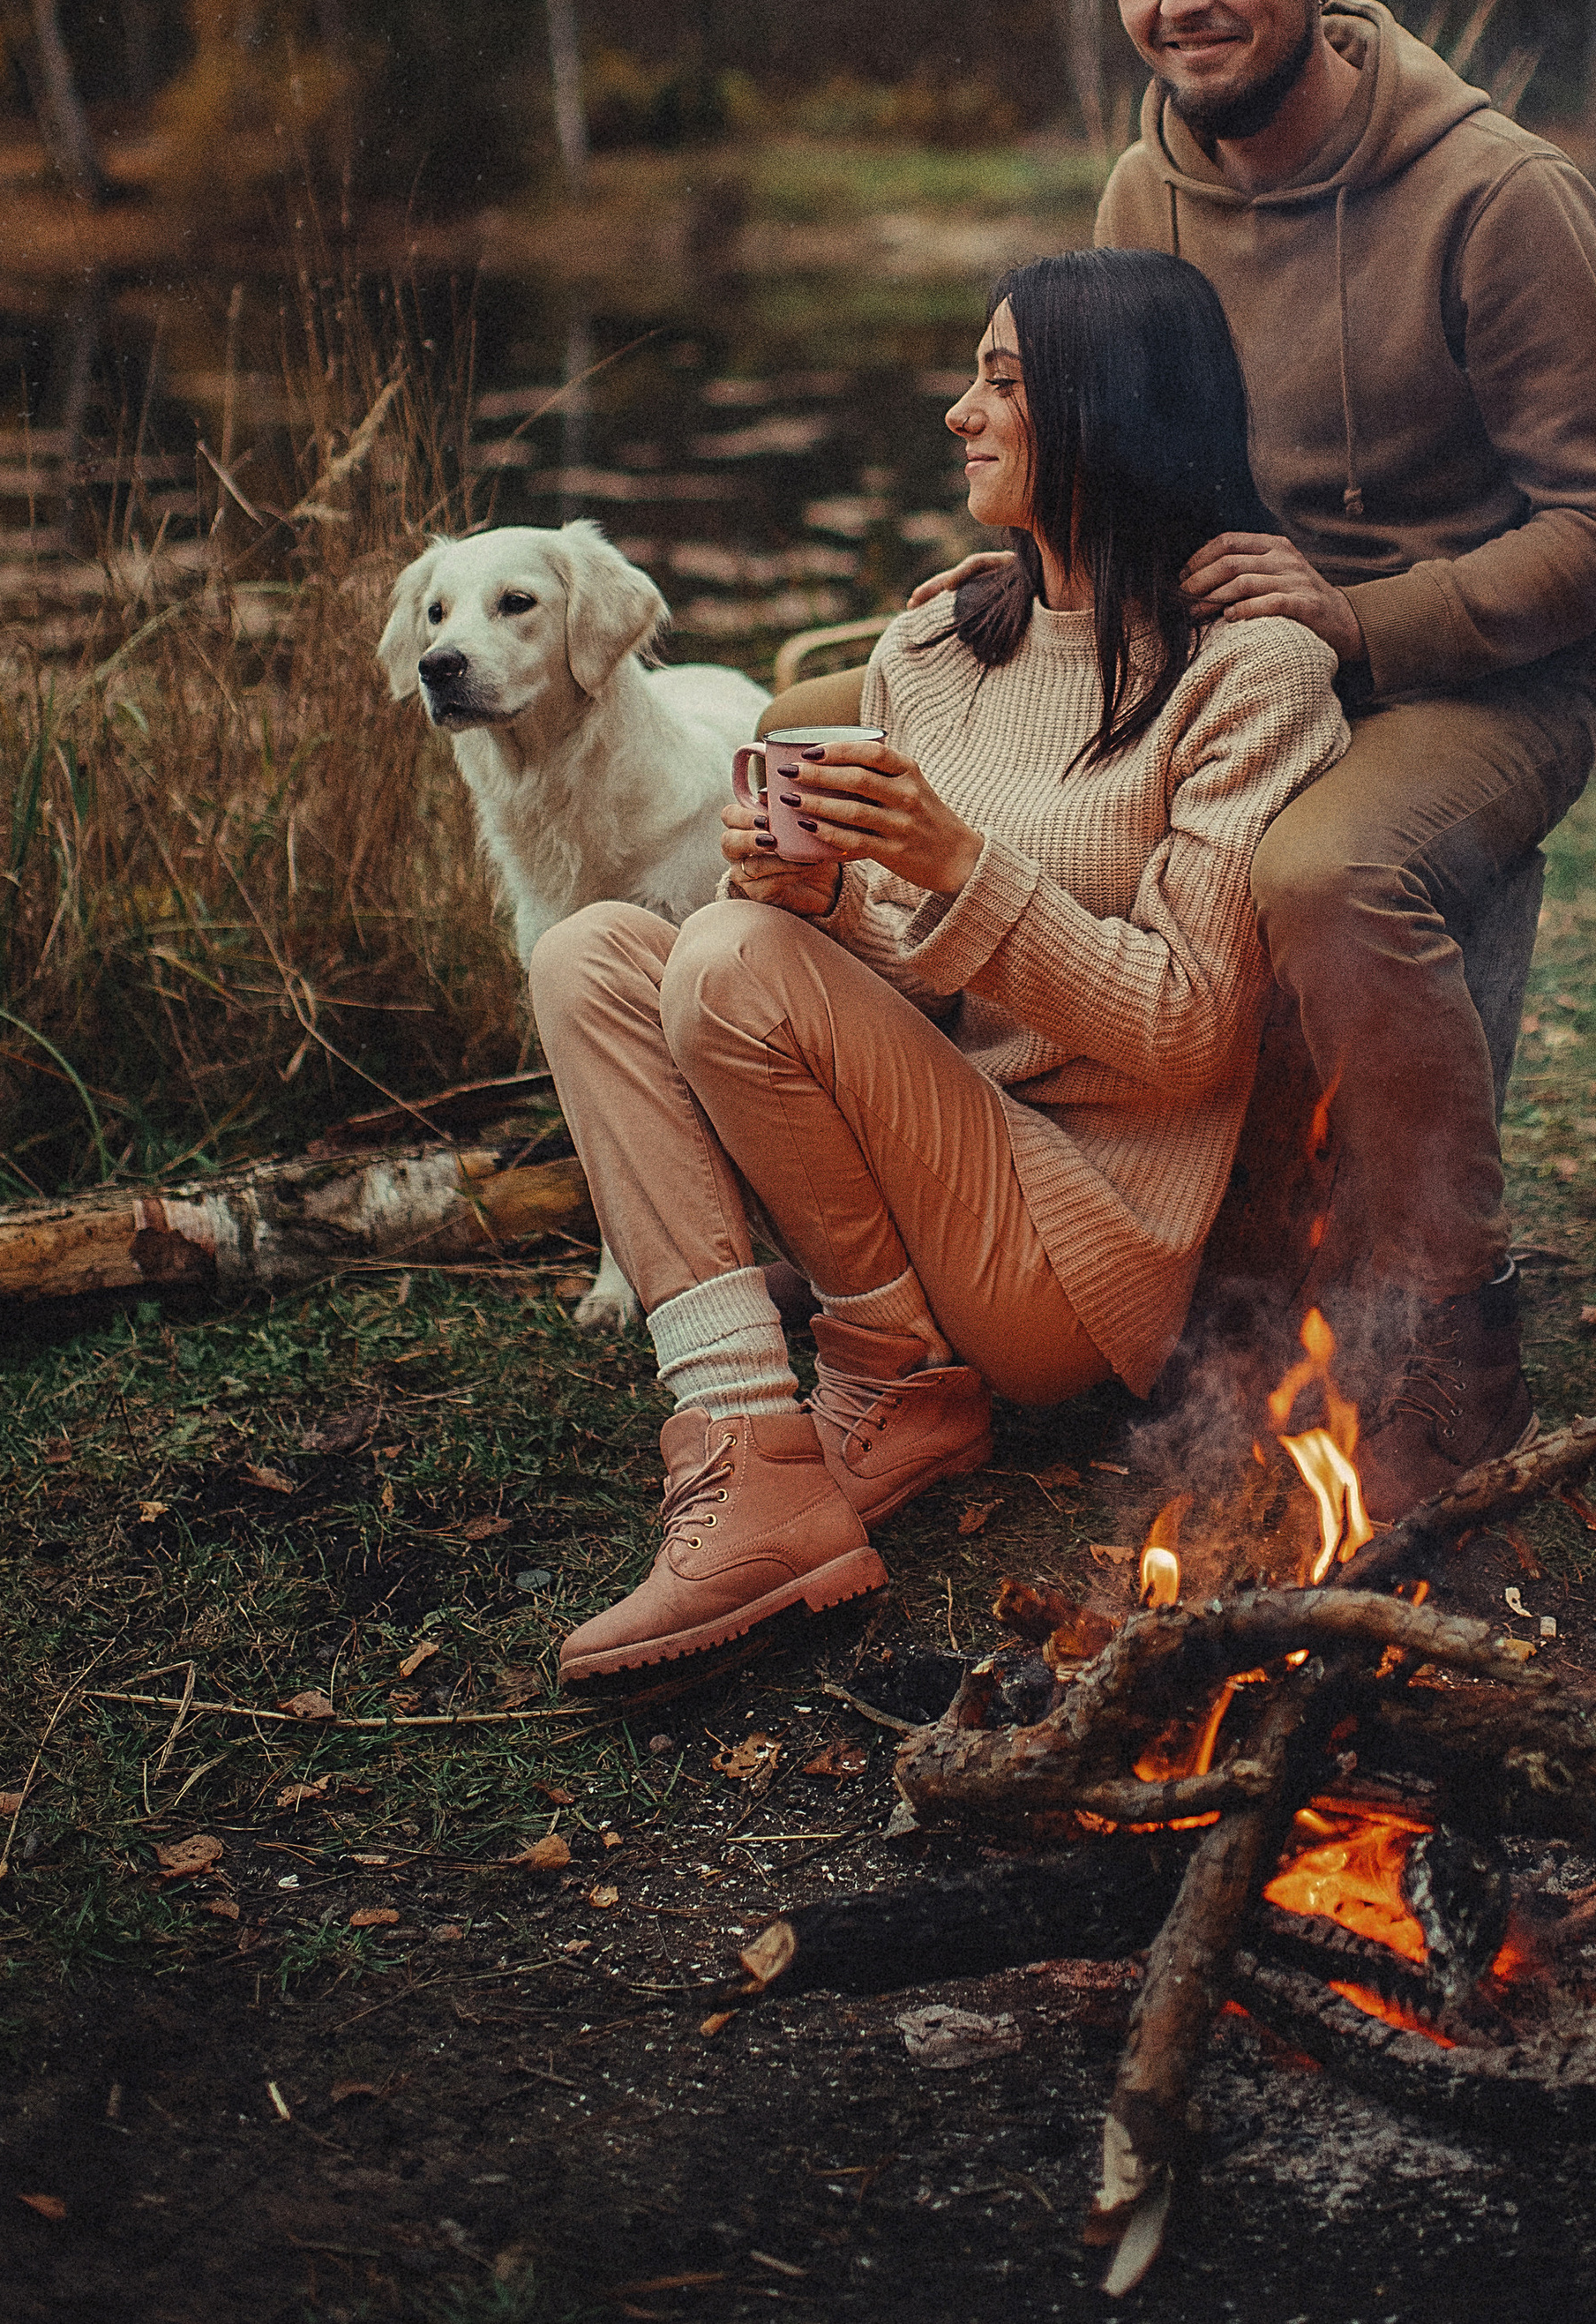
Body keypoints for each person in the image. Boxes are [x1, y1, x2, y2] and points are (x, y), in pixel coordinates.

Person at [528, 247, 1347, 1678]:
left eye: (1003, 381)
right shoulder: (936, 640)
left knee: (725, 958)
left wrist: (959, 862)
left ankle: (887, 1379)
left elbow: (1192, 1030)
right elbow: (909, 988)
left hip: (1075, 1244)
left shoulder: (1250, 673)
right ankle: (745, 1436)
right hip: (921, 1174)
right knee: (595, 949)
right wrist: (828, 900)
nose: (960, 413)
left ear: (1111, 409)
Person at [1060, 0, 1596, 1513]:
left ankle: (1452, 1334)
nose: (1176, 1)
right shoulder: (1139, 193)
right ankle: (984, 1295)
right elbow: (1123, 480)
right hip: (1242, 662)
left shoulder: (1493, 196)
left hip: (1482, 680)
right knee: (846, 736)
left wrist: (1356, 618)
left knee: (1322, 870)